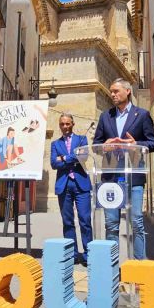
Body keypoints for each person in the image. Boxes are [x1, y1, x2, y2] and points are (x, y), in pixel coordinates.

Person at [94, 78, 154, 260]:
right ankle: (112, 267)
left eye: (115, 91)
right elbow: (96, 144)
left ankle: (140, 267)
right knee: (111, 224)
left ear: (128, 91)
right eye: (111, 91)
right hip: (111, 178)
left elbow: (153, 143)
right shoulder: (105, 116)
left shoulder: (142, 115)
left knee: (137, 222)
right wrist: (104, 145)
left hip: (134, 177)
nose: (112, 94)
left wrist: (135, 144)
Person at [50, 113, 93, 266]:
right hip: (64, 185)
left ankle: (88, 254)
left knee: (85, 220)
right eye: (62, 124)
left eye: (68, 124)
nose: (65, 127)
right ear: (59, 125)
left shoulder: (81, 139)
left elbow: (83, 157)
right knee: (68, 222)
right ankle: (73, 254)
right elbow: (53, 164)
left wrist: (63, 158)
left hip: (81, 184)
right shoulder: (55, 144)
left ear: (73, 124)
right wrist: (71, 158)